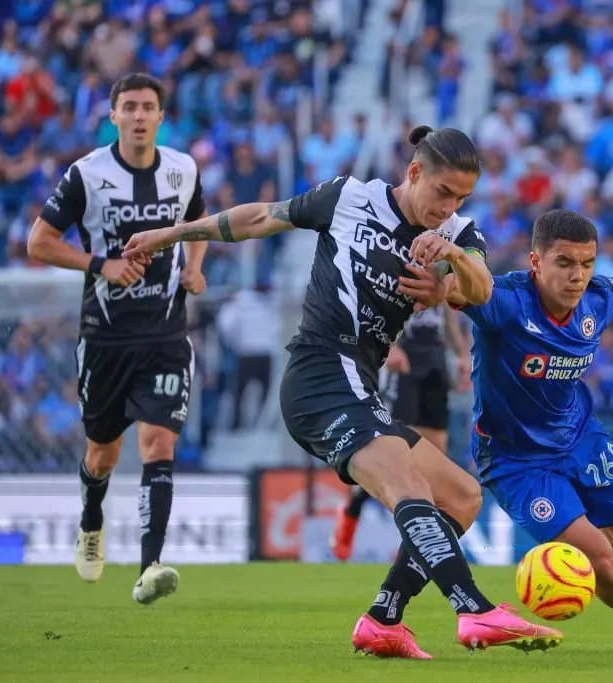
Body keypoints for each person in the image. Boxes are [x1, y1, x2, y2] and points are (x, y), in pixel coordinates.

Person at [122, 126, 563, 657]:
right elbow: (262, 216)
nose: (449, 206)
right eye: (443, 192)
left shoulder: (459, 232)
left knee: (463, 498)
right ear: (415, 172)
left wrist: (449, 277)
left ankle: (384, 620)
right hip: (320, 373)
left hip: (359, 384)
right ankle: (473, 609)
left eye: (462, 197)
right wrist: (172, 235)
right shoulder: (351, 198)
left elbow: (482, 287)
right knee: (409, 487)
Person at [451, 209, 613, 655]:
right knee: (599, 560)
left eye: (587, 263)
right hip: (515, 461)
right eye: (565, 263)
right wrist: (446, 268)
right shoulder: (506, 301)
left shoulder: (595, 299)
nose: (579, 276)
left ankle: (601, 559)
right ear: (536, 262)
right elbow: (460, 290)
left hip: (579, 437)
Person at [27, 73, 206, 605]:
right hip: (105, 338)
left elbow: (200, 224)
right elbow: (40, 242)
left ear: (161, 116)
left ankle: (150, 566)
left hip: (166, 333)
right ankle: (91, 518)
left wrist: (194, 268)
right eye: (128, 107)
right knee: (103, 454)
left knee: (158, 442)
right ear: (112, 115)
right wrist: (99, 265)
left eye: (148, 107)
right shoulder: (86, 174)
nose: (139, 115)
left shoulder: (183, 169)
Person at [330, 303, 473, 561]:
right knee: (389, 450)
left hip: (436, 365)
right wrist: (390, 348)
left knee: (436, 456)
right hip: (404, 363)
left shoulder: (443, 265)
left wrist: (462, 354)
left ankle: (416, 543)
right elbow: (374, 309)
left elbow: (448, 312)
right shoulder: (398, 264)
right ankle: (351, 511)